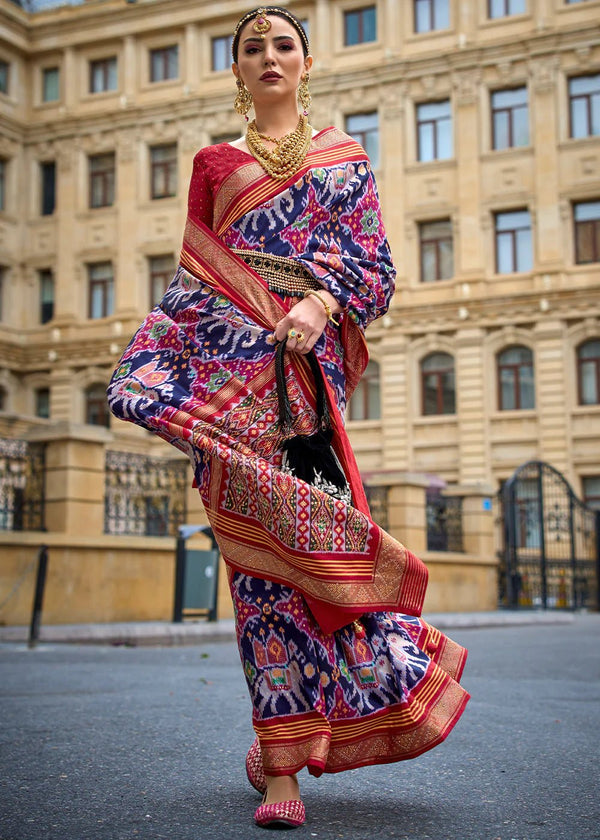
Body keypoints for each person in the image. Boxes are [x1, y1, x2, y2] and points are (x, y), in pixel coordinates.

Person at [108, 6, 469, 830]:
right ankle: (281, 768)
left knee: (320, 566)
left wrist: (318, 302)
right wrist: (151, 370)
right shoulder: (213, 164)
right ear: (236, 71)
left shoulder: (347, 160)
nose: (268, 56)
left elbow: (375, 270)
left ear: (307, 63)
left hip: (307, 394)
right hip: (231, 391)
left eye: (282, 44)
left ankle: (330, 719)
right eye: (251, 48)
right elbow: (197, 279)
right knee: (263, 579)